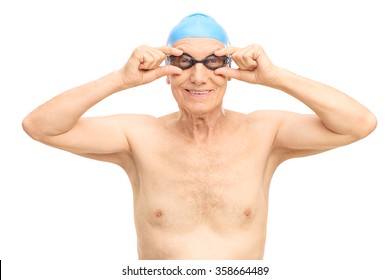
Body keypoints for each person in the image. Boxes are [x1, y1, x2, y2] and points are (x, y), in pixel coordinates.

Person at [22, 13, 377, 260]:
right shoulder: (139, 136)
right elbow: (40, 126)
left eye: (212, 63)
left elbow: (358, 123)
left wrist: (277, 77)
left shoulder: (265, 133)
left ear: (229, 70)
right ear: (165, 72)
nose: (197, 78)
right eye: (182, 63)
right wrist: (121, 79)